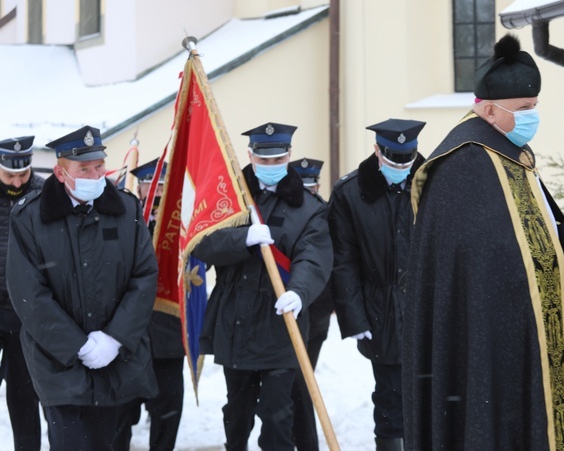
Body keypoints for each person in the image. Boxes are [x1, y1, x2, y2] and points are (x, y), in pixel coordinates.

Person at [402, 34, 564, 450]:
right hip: (494, 336)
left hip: (536, 327)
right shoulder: (464, 165)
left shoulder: (509, 152)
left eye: (535, 107)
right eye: (524, 109)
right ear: (488, 109)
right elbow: (476, 268)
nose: (532, 117)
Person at [6, 125, 159, 450]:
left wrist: (114, 338)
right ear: (61, 172)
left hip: (116, 361)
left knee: (111, 442)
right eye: (84, 169)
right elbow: (29, 293)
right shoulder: (31, 217)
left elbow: (144, 277)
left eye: (99, 166)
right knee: (71, 442)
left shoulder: (126, 210)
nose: (95, 174)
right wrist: (77, 345)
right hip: (58, 362)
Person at [193, 122, 332, 451]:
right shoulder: (229, 199)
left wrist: (299, 291)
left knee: (277, 417)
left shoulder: (310, 209)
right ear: (251, 157)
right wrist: (243, 238)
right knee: (236, 417)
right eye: (264, 160)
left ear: (289, 156)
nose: (270, 166)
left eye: (278, 160)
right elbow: (202, 243)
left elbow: (314, 258)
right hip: (236, 324)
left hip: (280, 325)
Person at [328, 118, 426, 451]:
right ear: (377, 151)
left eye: (407, 159)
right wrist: (353, 318)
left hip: (429, 310)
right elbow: (343, 262)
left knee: (434, 399)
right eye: (393, 159)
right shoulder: (350, 193)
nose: (401, 166)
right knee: (391, 400)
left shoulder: (433, 183)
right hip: (381, 311)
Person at [113, 158, 185, 451]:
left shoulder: (183, 223)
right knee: (120, 413)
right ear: (141, 187)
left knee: (167, 411)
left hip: (168, 334)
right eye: (151, 185)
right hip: (128, 336)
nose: (157, 193)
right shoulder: (124, 219)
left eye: (165, 187)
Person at [0, 136, 44, 450]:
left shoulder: (44, 193)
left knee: (24, 395)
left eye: (22, 175)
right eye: (9, 175)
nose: (17, 181)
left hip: (25, 312)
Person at [288, 157, 333, 451]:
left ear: (317, 185)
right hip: (283, 313)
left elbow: (330, 264)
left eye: (311, 185)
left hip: (314, 316)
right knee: (293, 388)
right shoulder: (283, 210)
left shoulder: (326, 214)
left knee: (301, 386)